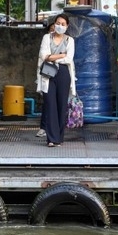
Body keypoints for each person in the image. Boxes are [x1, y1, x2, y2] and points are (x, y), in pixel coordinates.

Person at [37, 13, 77, 147]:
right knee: (50, 104)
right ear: (54, 24)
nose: (60, 26)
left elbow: (69, 58)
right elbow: (43, 55)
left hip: (64, 73)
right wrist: (60, 55)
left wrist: (52, 56)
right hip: (48, 73)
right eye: (58, 23)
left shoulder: (69, 40)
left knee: (61, 105)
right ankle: (51, 138)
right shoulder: (46, 37)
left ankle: (59, 138)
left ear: (67, 26)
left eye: (63, 24)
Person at [35, 21, 55, 138]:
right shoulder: (46, 41)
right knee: (48, 102)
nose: (53, 31)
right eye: (51, 29)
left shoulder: (66, 41)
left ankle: (53, 127)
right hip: (46, 74)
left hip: (59, 74)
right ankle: (43, 127)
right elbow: (44, 57)